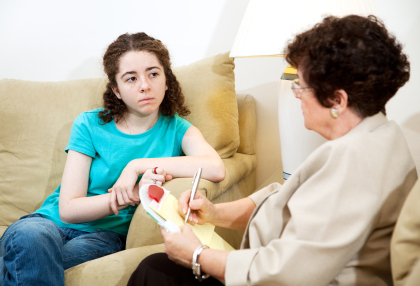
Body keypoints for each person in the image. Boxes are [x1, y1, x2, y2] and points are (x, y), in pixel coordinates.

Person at [127, 15, 417, 286]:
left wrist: (197, 255)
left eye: (301, 87)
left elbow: (287, 273)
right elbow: (284, 202)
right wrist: (214, 212)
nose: (296, 95)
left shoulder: (354, 161)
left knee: (153, 271)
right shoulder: (381, 136)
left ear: (337, 100)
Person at [0, 32, 225, 285]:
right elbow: (69, 209)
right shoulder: (89, 124)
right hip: (47, 225)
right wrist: (131, 194)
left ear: (167, 81)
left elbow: (216, 168)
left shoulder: (178, 129)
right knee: (29, 240)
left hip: (104, 236)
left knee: (26, 258)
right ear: (116, 90)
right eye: (131, 78)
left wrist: (136, 166)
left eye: (153, 73)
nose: (144, 85)